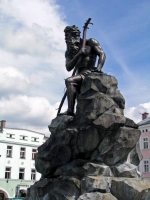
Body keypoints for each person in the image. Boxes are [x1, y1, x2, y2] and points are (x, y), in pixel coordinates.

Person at [62, 25, 106, 116]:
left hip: (90, 72)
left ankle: (70, 110)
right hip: (79, 74)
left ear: (75, 36)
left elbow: (102, 54)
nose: (68, 40)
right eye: (67, 38)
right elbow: (68, 67)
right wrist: (78, 54)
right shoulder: (69, 51)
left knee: (69, 81)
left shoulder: (90, 42)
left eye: (69, 36)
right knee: (71, 81)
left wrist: (98, 68)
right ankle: (71, 110)